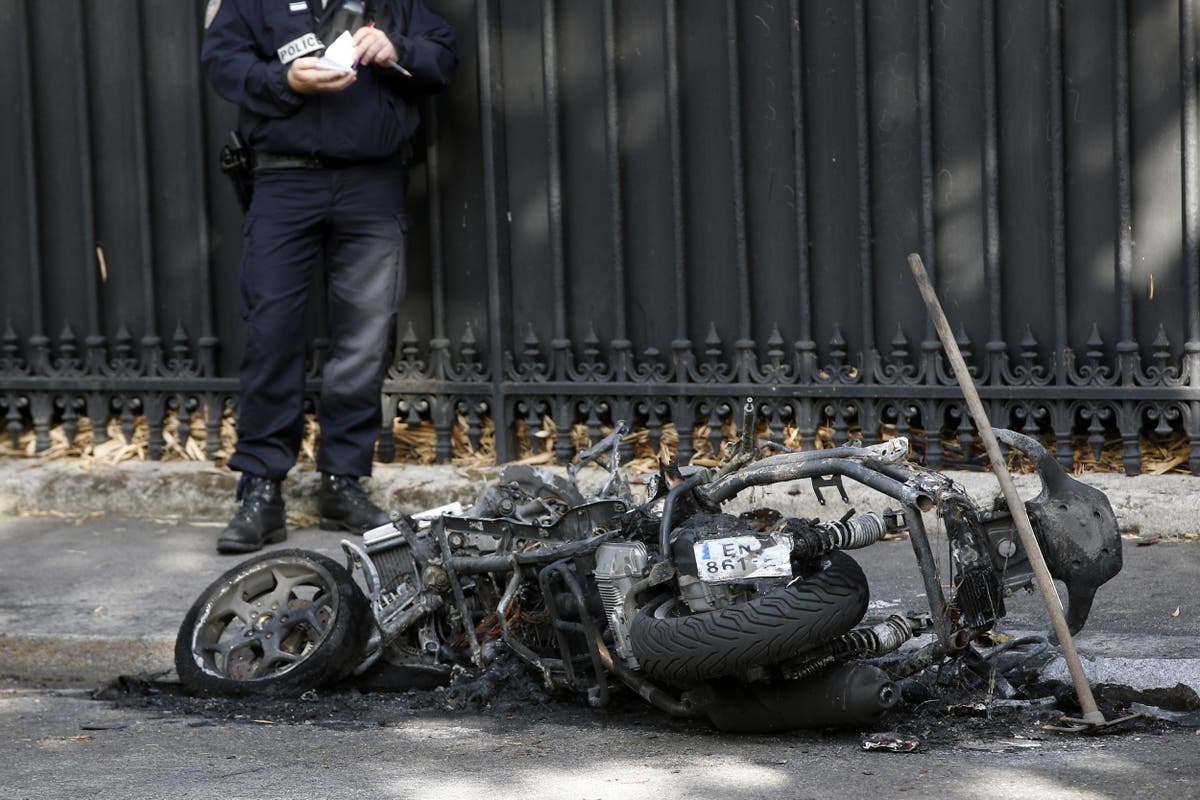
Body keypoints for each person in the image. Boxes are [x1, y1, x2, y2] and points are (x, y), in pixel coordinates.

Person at [201, 0, 458, 553]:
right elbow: (222, 62)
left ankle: (344, 483)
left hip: (373, 183)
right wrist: (283, 79)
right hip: (281, 183)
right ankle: (261, 489)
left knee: (364, 339)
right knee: (272, 332)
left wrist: (398, 50)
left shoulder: (393, 4)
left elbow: (443, 58)